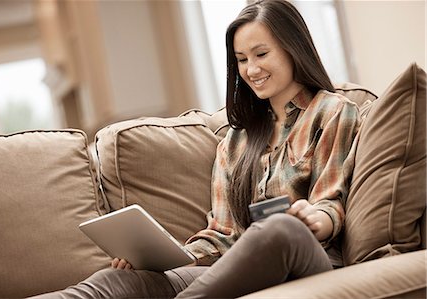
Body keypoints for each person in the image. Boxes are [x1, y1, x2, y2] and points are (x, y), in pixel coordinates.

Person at [31, 0, 360, 298]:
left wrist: (314, 218)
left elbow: (332, 201)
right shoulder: (235, 141)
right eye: (242, 60)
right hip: (240, 270)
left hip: (309, 255)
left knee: (281, 227)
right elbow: (223, 234)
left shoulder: (332, 112)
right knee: (116, 283)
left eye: (261, 54)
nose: (251, 70)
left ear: (293, 49)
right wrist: (166, 258)